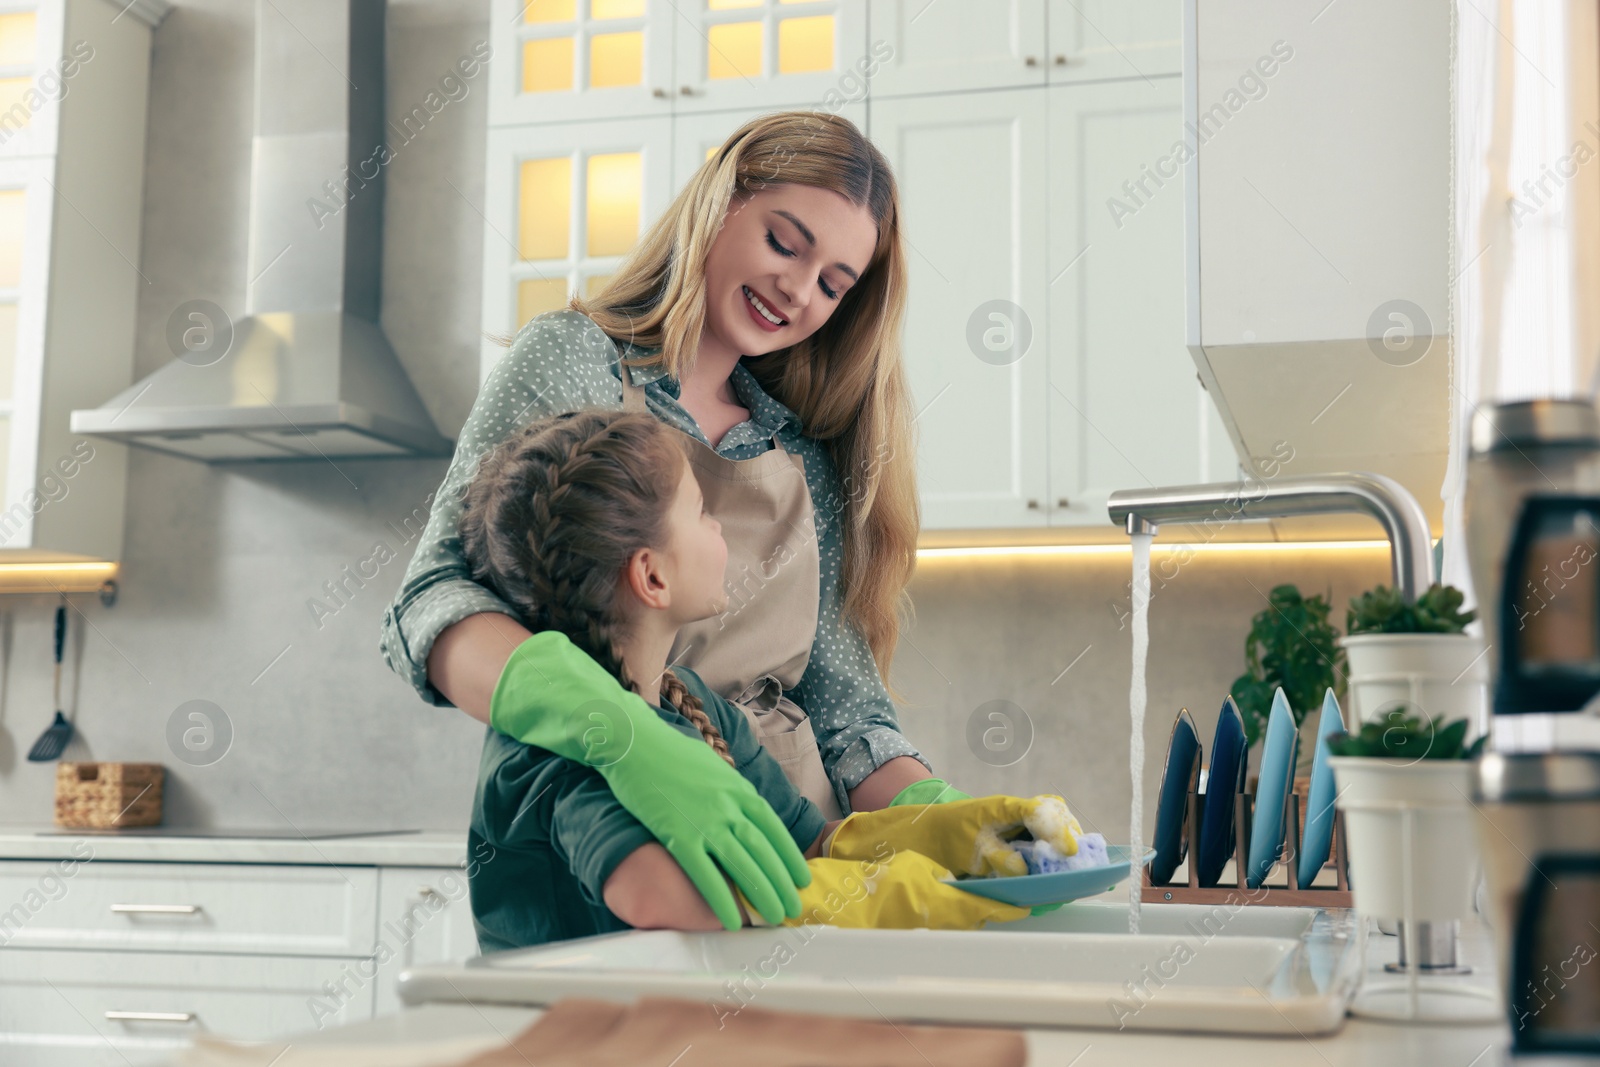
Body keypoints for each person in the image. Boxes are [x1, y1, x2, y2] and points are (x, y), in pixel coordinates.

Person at [379, 110, 972, 930]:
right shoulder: (574, 357)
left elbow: (844, 711)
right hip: (617, 818)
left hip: (787, 857)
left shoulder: (807, 448)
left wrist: (948, 824)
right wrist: (630, 738)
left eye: (835, 282)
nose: (800, 290)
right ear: (720, 205)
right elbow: (433, 601)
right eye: (785, 242)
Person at [458, 408, 1081, 951]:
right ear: (652, 578)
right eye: (701, 512)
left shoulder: (693, 702)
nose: (721, 528)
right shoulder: (560, 747)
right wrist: (895, 895)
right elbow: (661, 898)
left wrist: (946, 837)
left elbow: (811, 842)